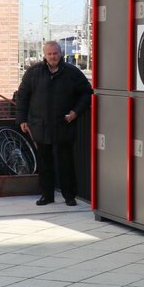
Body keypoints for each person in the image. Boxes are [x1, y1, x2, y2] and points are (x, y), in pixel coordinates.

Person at [16, 40, 93, 206]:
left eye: (55, 53)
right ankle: (47, 196)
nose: (53, 57)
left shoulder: (72, 72)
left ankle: (69, 196)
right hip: (40, 126)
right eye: (49, 54)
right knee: (44, 163)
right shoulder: (33, 72)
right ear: (45, 55)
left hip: (64, 125)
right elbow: (22, 96)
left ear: (61, 54)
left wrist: (75, 112)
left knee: (66, 163)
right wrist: (21, 119)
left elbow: (87, 93)